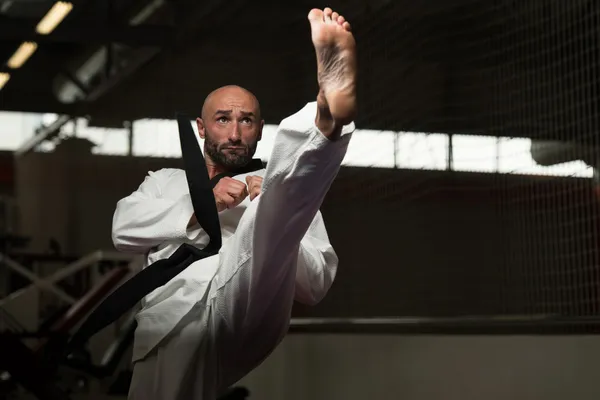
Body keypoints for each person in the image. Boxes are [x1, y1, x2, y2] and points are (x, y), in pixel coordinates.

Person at [114, 7, 357, 399]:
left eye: (246, 121)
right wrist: (202, 207)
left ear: (260, 130)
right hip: (173, 321)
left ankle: (326, 122)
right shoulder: (165, 182)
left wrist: (276, 224)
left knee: (273, 204)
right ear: (201, 127)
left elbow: (315, 285)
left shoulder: (277, 188)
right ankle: (324, 125)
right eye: (222, 119)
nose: (234, 132)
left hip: (246, 311)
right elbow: (122, 230)